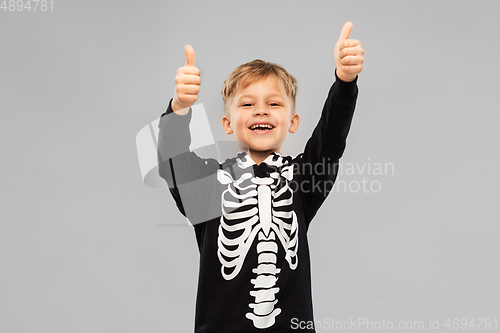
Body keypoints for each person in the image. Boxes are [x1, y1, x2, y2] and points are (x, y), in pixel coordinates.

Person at [157, 21, 364, 333]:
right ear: (227, 123)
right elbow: (171, 161)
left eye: (274, 103)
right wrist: (179, 109)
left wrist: (345, 83)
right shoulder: (209, 185)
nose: (261, 111)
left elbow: (330, 142)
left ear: (292, 122)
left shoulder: (301, 182)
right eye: (247, 103)